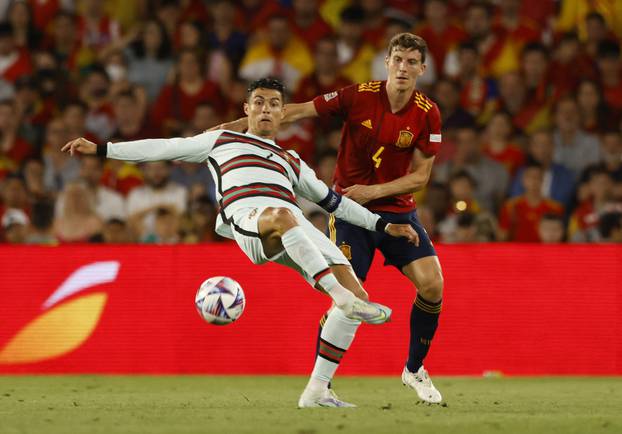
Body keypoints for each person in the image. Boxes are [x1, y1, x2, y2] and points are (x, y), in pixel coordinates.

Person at [62, 77, 419, 408]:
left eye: (274, 104)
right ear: (246, 110)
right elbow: (165, 147)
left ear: (283, 113)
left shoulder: (291, 160)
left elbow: (334, 202)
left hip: (292, 226)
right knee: (289, 225)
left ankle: (318, 391)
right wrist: (102, 150)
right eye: (259, 102)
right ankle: (338, 298)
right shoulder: (221, 140)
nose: (266, 109)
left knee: (358, 296)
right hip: (249, 218)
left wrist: (384, 226)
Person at [218, 33, 445, 404]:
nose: (403, 68)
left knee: (432, 285)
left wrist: (371, 192)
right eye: (397, 59)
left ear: (422, 68)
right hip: (350, 215)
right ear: (386, 62)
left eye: (411, 62)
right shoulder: (358, 95)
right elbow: (296, 110)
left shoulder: (427, 111)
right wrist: (231, 129)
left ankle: (414, 369)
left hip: (397, 209)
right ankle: (320, 386)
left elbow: (421, 177)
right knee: (350, 297)